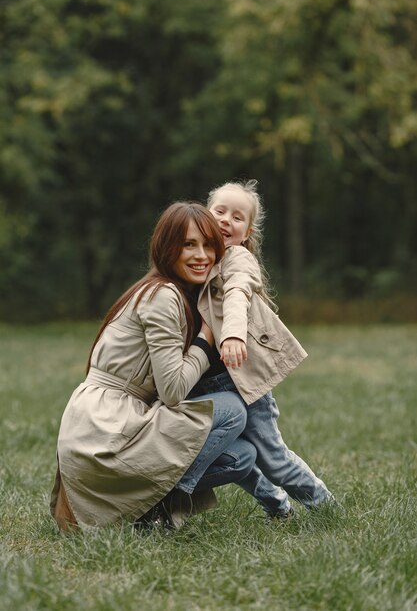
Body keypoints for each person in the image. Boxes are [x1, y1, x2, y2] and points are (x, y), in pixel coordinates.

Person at [50, 202, 264, 532]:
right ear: (167, 248)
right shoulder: (163, 295)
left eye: (209, 245)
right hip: (105, 435)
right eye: (189, 244)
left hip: (106, 425)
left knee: (242, 456)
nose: (202, 255)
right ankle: (160, 510)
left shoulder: (166, 291)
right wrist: (206, 340)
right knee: (233, 411)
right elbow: (173, 391)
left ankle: (151, 506)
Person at [190, 180, 335, 511]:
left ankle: (325, 507)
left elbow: (237, 293)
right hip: (205, 384)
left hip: (243, 380)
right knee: (232, 454)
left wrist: (233, 334)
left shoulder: (237, 259)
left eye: (237, 217)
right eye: (220, 211)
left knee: (272, 458)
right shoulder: (195, 260)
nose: (227, 220)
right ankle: (277, 505)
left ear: (247, 233)